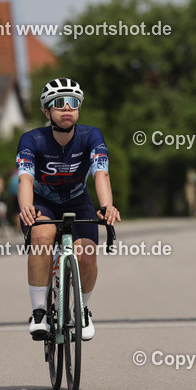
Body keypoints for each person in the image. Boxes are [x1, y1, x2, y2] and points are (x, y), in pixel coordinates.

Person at [18, 78, 120, 343]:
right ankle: (39, 312)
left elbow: (101, 173)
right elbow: (25, 179)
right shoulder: (32, 139)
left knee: (86, 254)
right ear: (46, 111)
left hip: (77, 200)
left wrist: (106, 205)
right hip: (42, 201)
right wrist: (27, 208)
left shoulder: (90, 135)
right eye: (59, 104)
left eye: (73, 103)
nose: (67, 109)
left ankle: (82, 310)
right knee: (41, 238)